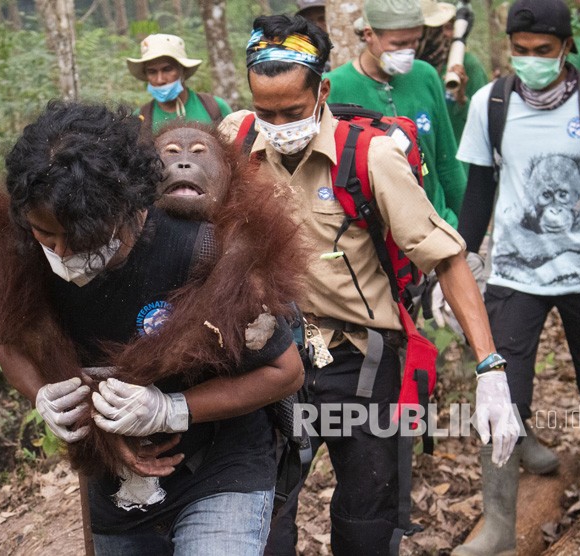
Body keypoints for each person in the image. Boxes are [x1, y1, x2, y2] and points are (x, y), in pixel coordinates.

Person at [219, 15, 520, 556]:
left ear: (323, 91)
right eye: (267, 111)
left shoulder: (371, 157)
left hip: (360, 361)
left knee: (367, 516)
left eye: (293, 111)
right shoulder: (238, 142)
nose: (279, 124)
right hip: (271, 358)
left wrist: (489, 367)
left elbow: (446, 257)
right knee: (262, 515)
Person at [0, 101, 307, 555]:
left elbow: (285, 372)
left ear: (128, 210)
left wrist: (171, 409)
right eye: (48, 235)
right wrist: (46, 397)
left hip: (223, 464)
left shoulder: (203, 250)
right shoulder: (24, 252)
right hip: (118, 487)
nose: (63, 252)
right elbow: (5, 343)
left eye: (82, 238)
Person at [453, 0, 580, 553]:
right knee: (501, 387)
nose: (531, 61)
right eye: (520, 51)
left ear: (565, 47)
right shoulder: (493, 103)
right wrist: (460, 260)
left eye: (543, 52)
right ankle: (501, 526)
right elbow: (479, 190)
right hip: (514, 270)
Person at [325, 0, 466, 229]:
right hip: (376, 236)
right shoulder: (334, 88)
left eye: (414, 41)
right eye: (398, 43)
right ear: (369, 34)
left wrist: (466, 228)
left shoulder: (426, 76)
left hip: (438, 224)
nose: (408, 51)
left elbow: (447, 160)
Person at [127, 33, 232, 133]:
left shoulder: (214, 107)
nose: (160, 80)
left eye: (167, 69)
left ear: (183, 70)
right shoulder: (140, 118)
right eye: (152, 72)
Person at [417, 0, 489, 142]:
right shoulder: (410, 67)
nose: (445, 35)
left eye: (450, 28)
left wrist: (461, 100)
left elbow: (485, 119)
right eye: (439, 29)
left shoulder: (467, 65)